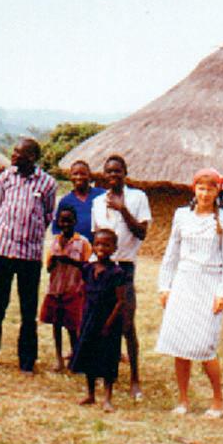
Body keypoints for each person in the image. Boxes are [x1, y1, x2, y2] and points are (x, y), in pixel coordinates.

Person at [155, 168, 223, 418]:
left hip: (209, 285)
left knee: (205, 346)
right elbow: (171, 253)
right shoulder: (181, 216)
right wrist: (165, 286)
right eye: (201, 188)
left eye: (211, 189)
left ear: (217, 191)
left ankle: (218, 400)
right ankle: (183, 400)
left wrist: (222, 293)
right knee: (180, 345)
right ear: (194, 189)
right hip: (183, 283)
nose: (205, 194)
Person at [0, 138, 57, 374]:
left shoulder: (48, 183)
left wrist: (30, 234)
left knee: (28, 310)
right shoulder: (5, 177)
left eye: (18, 152)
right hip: (3, 250)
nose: (13, 155)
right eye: (13, 151)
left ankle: (26, 361)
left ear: (32, 157)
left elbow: (47, 215)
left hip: (29, 255)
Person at [91, 154, 151, 401]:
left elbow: (142, 233)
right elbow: (97, 236)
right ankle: (101, 372)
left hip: (124, 267)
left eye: (117, 171)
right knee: (99, 320)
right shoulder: (97, 202)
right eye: (109, 171)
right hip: (102, 267)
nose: (113, 175)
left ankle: (135, 379)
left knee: (126, 323)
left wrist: (122, 208)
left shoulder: (138, 198)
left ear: (125, 173)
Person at [71, 228, 127, 412]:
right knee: (89, 354)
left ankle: (107, 398)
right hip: (89, 318)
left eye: (106, 245)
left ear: (114, 248)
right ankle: (90, 394)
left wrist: (109, 323)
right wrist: (80, 319)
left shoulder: (116, 273)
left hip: (108, 321)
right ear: (93, 246)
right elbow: (82, 294)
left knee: (107, 358)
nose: (102, 248)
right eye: (98, 244)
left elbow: (120, 301)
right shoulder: (88, 269)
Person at [40, 204, 92, 372]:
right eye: (62, 221)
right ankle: (59, 358)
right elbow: (48, 267)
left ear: (75, 221)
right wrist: (55, 261)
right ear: (58, 222)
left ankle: (76, 359)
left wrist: (71, 262)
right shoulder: (54, 241)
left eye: (69, 221)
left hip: (74, 290)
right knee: (56, 325)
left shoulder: (82, 242)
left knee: (72, 326)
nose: (66, 224)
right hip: (55, 289)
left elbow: (88, 267)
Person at [51, 160, 105, 243]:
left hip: (100, 245)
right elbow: (57, 228)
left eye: (83, 174)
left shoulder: (102, 195)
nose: (79, 177)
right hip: (75, 247)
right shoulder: (65, 201)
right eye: (75, 174)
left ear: (89, 176)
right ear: (70, 177)